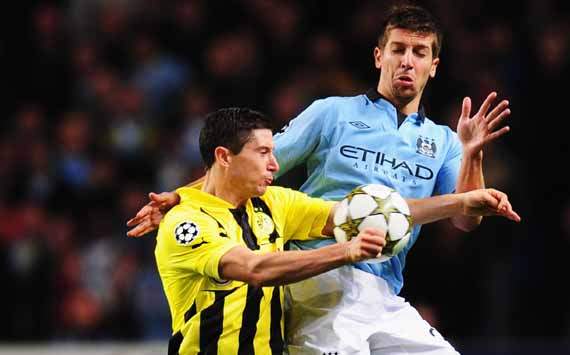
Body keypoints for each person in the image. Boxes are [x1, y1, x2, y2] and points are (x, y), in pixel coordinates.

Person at [128, 4, 516, 354]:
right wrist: (183, 197)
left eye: (419, 53)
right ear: (379, 56)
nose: (407, 62)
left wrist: (472, 153)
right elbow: (250, 164)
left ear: (434, 65)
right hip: (317, 277)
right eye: (398, 49)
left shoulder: (445, 141)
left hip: (383, 287)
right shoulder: (332, 114)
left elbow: (467, 217)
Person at [153, 106, 518, 354]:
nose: (275, 163)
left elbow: (374, 214)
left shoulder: (275, 203)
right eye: (263, 153)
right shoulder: (186, 223)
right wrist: (346, 251)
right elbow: (255, 269)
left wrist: (460, 202)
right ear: (223, 157)